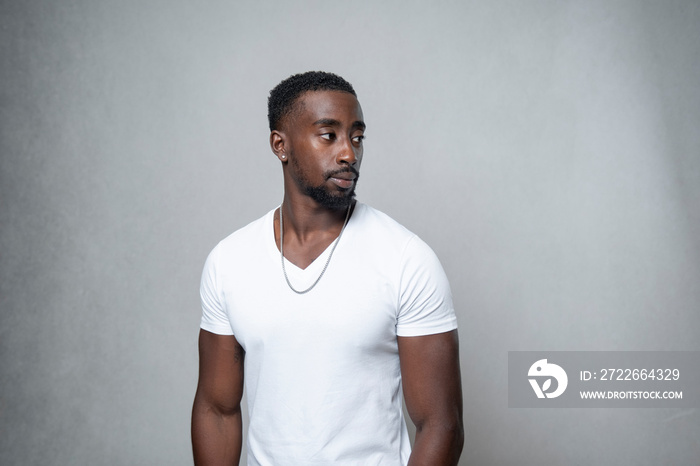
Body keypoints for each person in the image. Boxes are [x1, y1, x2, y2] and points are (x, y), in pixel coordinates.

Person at [191, 71, 463, 465]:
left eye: (357, 136)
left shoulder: (406, 258)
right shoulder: (229, 261)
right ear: (280, 145)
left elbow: (442, 424)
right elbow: (217, 409)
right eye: (328, 135)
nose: (349, 153)